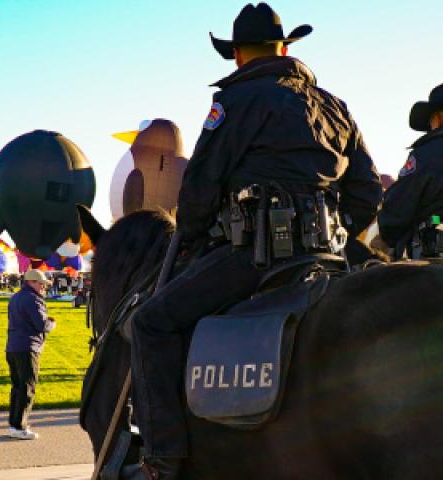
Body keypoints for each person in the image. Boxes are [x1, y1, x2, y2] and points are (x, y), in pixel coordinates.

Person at [124, 4, 382, 479]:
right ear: (285, 50)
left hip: (254, 257)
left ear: (238, 55)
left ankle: (163, 459)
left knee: (150, 324)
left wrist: (194, 236)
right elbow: (367, 193)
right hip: (325, 256)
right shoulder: (333, 106)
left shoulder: (236, 101)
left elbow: (199, 188)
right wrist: (333, 232)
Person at [378, 84, 443, 257]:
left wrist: (386, 235)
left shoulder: (428, 153)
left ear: (439, 117)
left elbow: (399, 207)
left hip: (432, 260)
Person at [5, 269, 55, 440]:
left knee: (17, 387)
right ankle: (20, 426)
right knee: (27, 387)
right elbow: (41, 325)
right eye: (41, 284)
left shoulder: (15, 297)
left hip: (13, 346)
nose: (43, 287)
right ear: (31, 282)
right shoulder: (33, 299)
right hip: (28, 347)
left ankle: (14, 423)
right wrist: (52, 323)